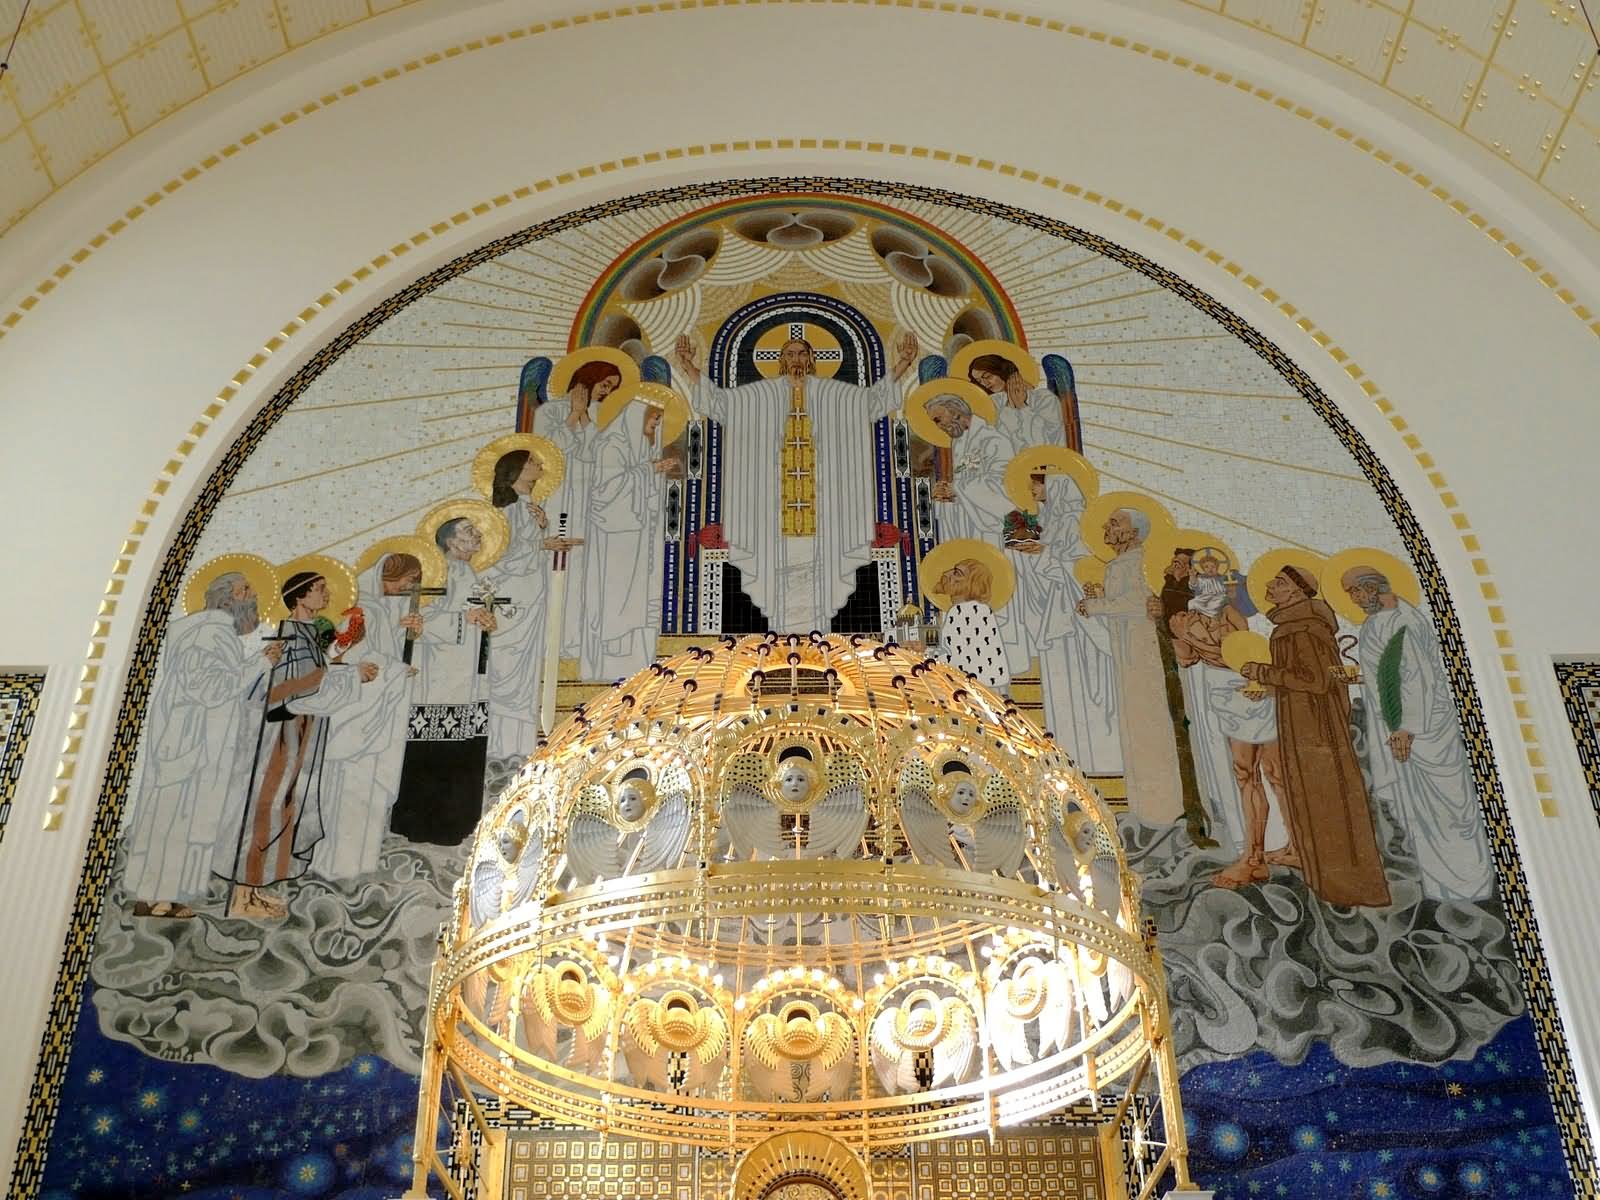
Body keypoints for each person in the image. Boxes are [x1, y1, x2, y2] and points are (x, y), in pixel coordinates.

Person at [674, 331, 917, 631]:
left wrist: (904, 363)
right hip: (774, 518)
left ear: (812, 359)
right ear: (780, 360)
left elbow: (871, 402)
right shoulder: (761, 396)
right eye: (789, 354)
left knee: (821, 586)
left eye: (802, 353)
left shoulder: (833, 395)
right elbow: (721, 403)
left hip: (825, 516)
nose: (796, 360)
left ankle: (817, 644)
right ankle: (783, 645)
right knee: (778, 587)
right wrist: (687, 367)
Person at [214, 572, 379, 919]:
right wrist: (349, 675)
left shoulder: (307, 634)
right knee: (265, 807)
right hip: (279, 736)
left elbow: (313, 672)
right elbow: (287, 689)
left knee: (284, 808)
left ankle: (255, 891)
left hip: (301, 733)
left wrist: (341, 655)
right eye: (320, 589)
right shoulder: (288, 635)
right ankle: (240, 897)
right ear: (299, 597)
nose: (326, 594)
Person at [123, 571, 280, 918]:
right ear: (227, 600)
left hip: (202, 747)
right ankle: (153, 897)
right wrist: (259, 662)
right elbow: (209, 689)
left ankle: (174, 896)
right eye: (246, 592)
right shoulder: (204, 635)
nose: (253, 598)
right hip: (187, 746)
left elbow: (225, 689)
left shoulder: (217, 635)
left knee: (193, 821)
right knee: (173, 819)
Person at [1341, 566, 1494, 901]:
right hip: (1406, 726)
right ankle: (1443, 888)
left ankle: (1466, 887)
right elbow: (1388, 674)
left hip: (1422, 731)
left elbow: (1416, 680)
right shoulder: (1380, 622)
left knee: (1443, 809)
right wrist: (1360, 679)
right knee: (1421, 809)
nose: (1352, 599)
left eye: (1353, 592)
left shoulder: (1403, 622)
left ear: (1370, 587)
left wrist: (1405, 728)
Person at [1240, 566, 1390, 907]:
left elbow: (1316, 681)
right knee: (1316, 799)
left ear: (1296, 590)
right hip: (1305, 723)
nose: (1270, 586)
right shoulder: (1296, 625)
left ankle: (1345, 887)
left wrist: (1263, 671)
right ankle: (1331, 883)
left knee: (1324, 800)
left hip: (1313, 730)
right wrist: (1267, 686)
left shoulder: (1301, 629)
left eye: (1278, 582)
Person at [391, 518, 502, 845]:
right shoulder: (437, 573)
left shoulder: (469, 574)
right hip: (438, 676)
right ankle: (427, 824)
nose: (477, 534)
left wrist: (485, 619)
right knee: (437, 747)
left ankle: (459, 822)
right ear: (450, 541)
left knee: (464, 746)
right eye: (468, 531)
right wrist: (463, 620)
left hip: (468, 673)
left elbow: (476, 614)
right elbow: (416, 620)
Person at [314, 553, 421, 881]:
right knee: (350, 789)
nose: (410, 587)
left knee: (371, 790)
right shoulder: (359, 613)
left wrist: (409, 636)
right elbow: (351, 659)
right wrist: (398, 671)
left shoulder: (386, 611)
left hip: (378, 717)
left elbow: (385, 653)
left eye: (413, 581)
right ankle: (338, 864)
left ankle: (361, 864)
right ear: (387, 576)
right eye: (407, 579)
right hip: (356, 720)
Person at [1077, 509, 1184, 823]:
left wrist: (1097, 606)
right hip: (1129, 656)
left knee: (1149, 724)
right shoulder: (1119, 564)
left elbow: (1138, 603)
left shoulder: (1140, 561)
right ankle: (1144, 809)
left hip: (1146, 656)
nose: (1106, 526)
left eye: (1115, 522)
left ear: (1135, 531)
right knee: (1134, 724)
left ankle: (1163, 810)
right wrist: (1102, 598)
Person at [1019, 472, 1119, 772]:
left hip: (1079, 612)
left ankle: (1099, 756)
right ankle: (1065, 753)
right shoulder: (1051, 519)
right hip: (1060, 609)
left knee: (1088, 676)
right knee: (1063, 680)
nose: (1031, 490)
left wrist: (1044, 554)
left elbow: (1079, 564)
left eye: (1035, 484)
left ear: (1053, 487)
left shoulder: (1075, 520)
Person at [485, 447, 574, 757]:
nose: (539, 465)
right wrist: (542, 542)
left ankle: (519, 737)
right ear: (518, 470)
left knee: (525, 666)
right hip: (513, 599)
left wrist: (542, 536)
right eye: (533, 462)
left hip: (531, 595)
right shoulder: (506, 512)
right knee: (509, 665)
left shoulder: (529, 508)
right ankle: (503, 741)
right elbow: (499, 558)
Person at [581, 400, 676, 680]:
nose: (656, 426)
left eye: (658, 421)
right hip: (614, 534)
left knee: (632, 594)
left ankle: (628, 650)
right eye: (653, 420)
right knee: (616, 592)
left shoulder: (636, 445)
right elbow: (605, 490)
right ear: (636, 418)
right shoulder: (612, 445)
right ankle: (611, 648)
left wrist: (652, 469)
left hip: (633, 531)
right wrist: (651, 470)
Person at [533, 361, 620, 660]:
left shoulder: (592, 420)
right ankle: (545, 640)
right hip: (553, 499)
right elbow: (544, 451)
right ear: (588, 378)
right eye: (605, 384)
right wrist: (573, 413)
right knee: (549, 568)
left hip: (580, 505)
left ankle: (569, 640)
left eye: (611, 388)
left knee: (577, 571)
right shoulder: (548, 412)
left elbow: (595, 458)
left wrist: (585, 418)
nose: (606, 392)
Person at [935, 558, 1009, 692]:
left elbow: (960, 661)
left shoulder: (964, 611)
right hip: (981, 689)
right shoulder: (974, 609)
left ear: (971, 584)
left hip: (977, 692)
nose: (946, 574)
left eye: (957, 573)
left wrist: (924, 654)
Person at [967, 353, 1069, 448]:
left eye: (987, 376)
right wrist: (1010, 407)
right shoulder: (993, 404)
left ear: (1002, 370)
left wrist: (1022, 406)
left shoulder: (1044, 398)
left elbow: (1043, 444)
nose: (985, 383)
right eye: (979, 381)